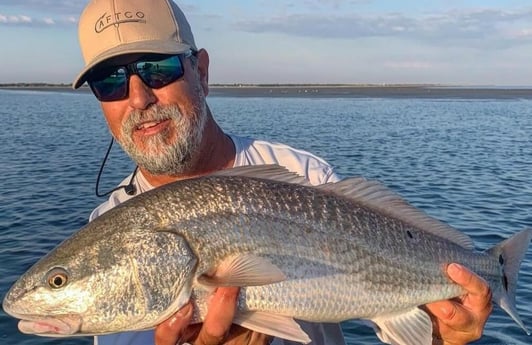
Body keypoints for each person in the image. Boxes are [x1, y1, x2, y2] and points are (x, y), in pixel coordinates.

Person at [72, 0, 493, 344]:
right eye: (109, 83)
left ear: (200, 72)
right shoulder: (106, 229)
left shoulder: (304, 174)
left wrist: (446, 335)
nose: (139, 98)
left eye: (156, 69)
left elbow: (411, 329)